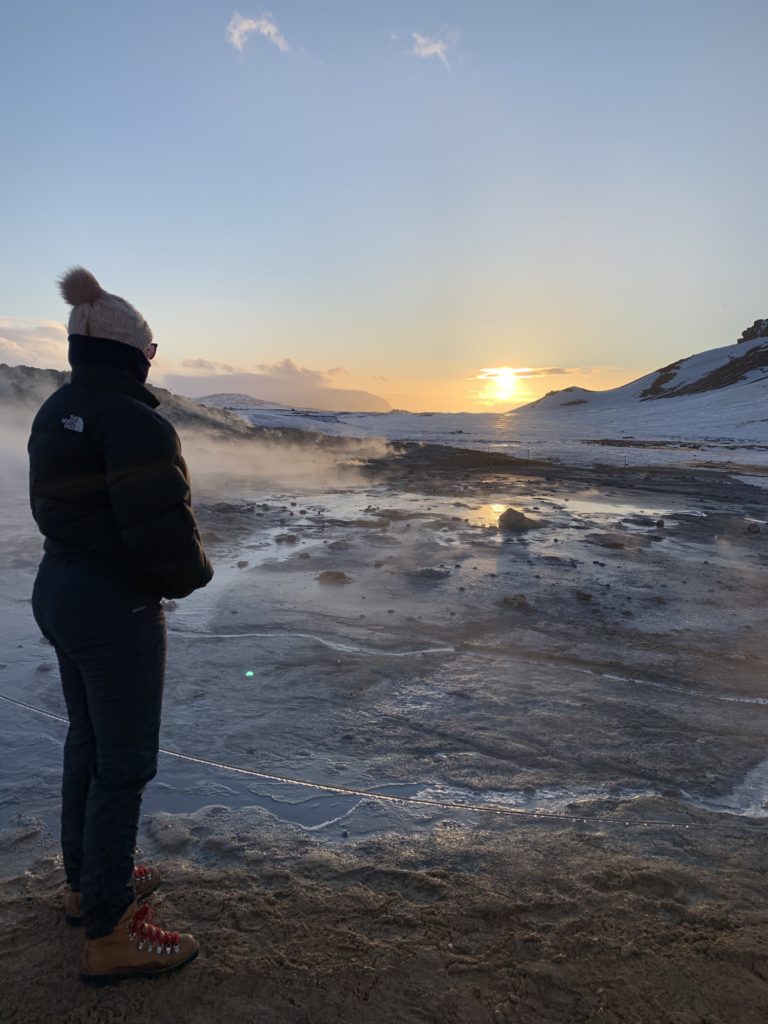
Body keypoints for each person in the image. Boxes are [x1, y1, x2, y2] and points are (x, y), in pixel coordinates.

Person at [28, 267, 213, 982]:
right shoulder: (136, 421)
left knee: (89, 741)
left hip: (60, 587)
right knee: (125, 762)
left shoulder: (55, 409)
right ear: (138, 354)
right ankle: (109, 932)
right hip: (114, 606)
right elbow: (160, 533)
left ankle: (86, 886)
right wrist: (193, 575)